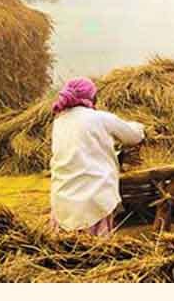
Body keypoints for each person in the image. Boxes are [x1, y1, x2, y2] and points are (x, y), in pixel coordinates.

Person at [49, 77, 145, 236]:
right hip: (93, 198)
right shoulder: (99, 117)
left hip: (62, 200)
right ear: (91, 97)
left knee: (66, 250)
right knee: (97, 252)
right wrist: (141, 127)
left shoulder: (59, 121)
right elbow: (133, 136)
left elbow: (82, 152)